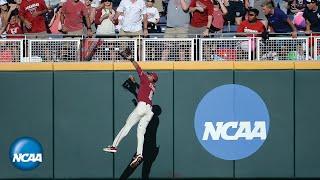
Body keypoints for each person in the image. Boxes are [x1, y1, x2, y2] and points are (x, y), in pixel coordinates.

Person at [103, 48, 158, 168]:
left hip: (142, 106)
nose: (147, 75)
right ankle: (139, 154)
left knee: (127, 125)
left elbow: (138, 69)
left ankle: (114, 146)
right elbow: (142, 91)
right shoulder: (152, 87)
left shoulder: (146, 79)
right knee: (140, 133)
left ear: (152, 78)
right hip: (149, 110)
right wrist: (134, 84)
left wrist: (131, 59)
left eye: (150, 75)